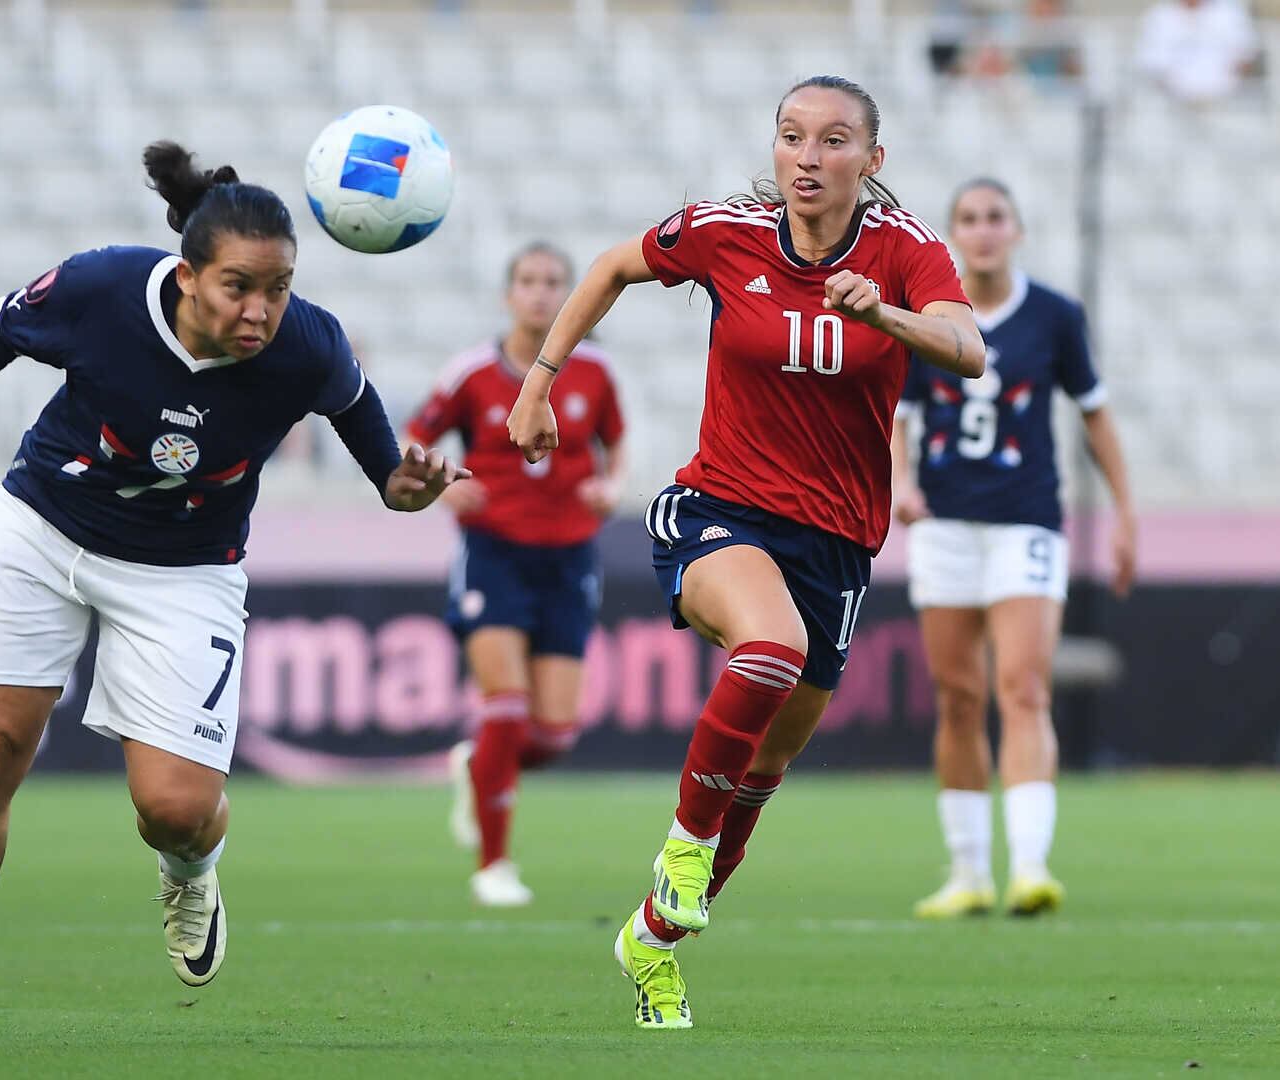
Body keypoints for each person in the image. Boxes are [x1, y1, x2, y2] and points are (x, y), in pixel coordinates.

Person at [0, 141, 468, 1050]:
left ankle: (191, 871)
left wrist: (402, 484)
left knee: (176, 810)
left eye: (278, 288)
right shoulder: (103, 287)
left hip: (185, 568)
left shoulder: (308, 343)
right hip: (42, 529)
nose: (260, 310)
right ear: (187, 276)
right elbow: (0, 327)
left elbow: (369, 434)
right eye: (238, 287)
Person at [507, 76, 987, 1030]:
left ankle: (651, 940)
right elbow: (610, 267)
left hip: (836, 544)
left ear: (872, 160)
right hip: (719, 510)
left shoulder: (906, 250)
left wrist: (884, 316)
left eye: (834, 140)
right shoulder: (726, 232)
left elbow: (968, 349)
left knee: (763, 771)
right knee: (770, 649)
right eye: (791, 136)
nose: (809, 156)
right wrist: (539, 382)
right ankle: (682, 852)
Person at [893, 178, 1136, 920]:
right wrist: (900, 484)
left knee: (1023, 687)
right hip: (944, 525)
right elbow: (898, 418)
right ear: (953, 235)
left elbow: (1094, 415)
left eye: (996, 217)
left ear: (1017, 231)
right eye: (969, 219)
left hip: (1025, 520)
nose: (983, 230)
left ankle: (1030, 866)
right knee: (958, 696)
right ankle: (969, 872)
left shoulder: (1055, 315)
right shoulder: (928, 316)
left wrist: (1125, 512)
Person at [405, 241, 627, 907]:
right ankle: (493, 866)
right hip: (493, 551)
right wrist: (443, 486)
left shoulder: (595, 372)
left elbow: (615, 446)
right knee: (504, 705)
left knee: (553, 734)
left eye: (553, 282)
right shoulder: (472, 373)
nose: (540, 292)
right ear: (509, 295)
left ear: (570, 296)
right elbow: (413, 438)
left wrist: (612, 488)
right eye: (528, 281)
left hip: (568, 555)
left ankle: (479, 767)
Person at [1137, 0, 1261, 105]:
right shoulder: (1160, 15)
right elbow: (1151, 62)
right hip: (1173, 102)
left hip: (1227, 100)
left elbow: (1247, 54)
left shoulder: (1229, 12)